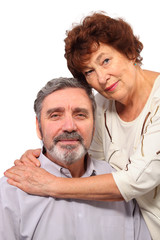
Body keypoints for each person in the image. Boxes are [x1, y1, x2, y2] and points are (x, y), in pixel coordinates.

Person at [4, 12, 160, 239]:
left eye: (105, 61)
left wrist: (50, 184)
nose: (102, 77)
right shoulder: (103, 103)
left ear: (129, 52)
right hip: (132, 221)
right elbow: (88, 160)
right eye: (89, 72)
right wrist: (41, 155)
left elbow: (136, 181)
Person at [0, 77, 151, 239]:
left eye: (80, 114)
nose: (69, 126)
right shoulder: (10, 193)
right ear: (38, 127)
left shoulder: (120, 187)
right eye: (55, 115)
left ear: (94, 126)